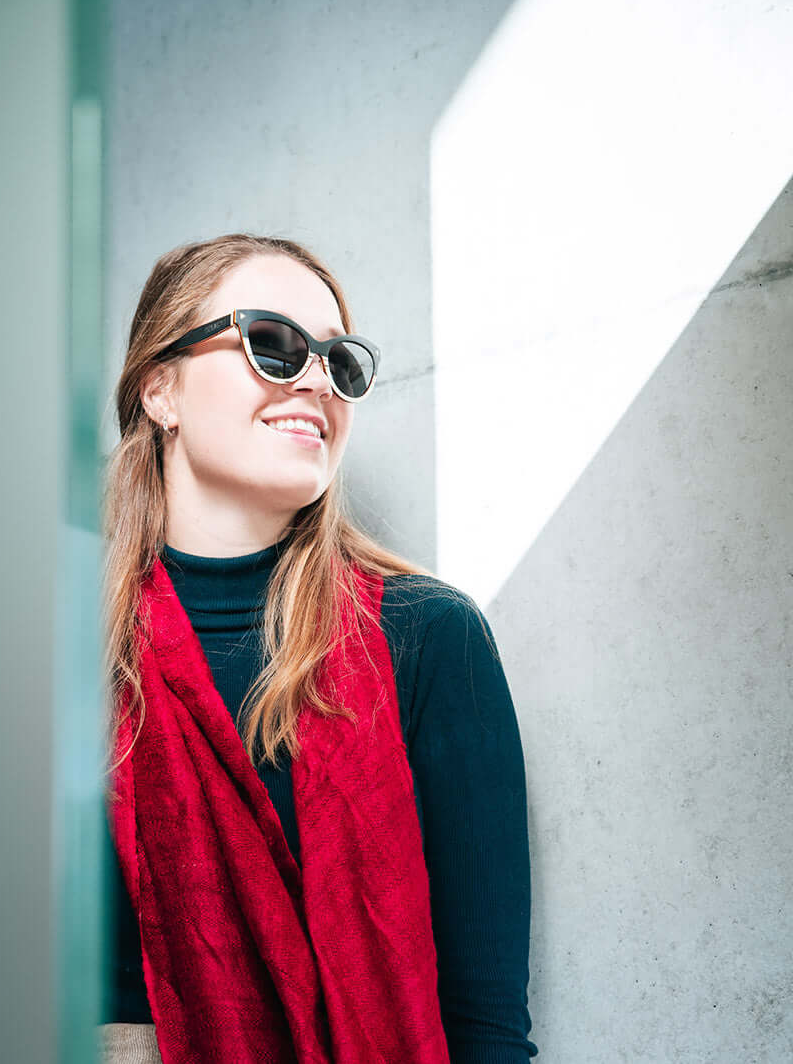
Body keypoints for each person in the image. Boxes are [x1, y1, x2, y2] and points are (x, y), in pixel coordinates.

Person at [99, 234, 538, 1064]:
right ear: (162, 389)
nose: (315, 381)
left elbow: (486, 1026)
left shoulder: (427, 638)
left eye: (341, 363)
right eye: (271, 343)